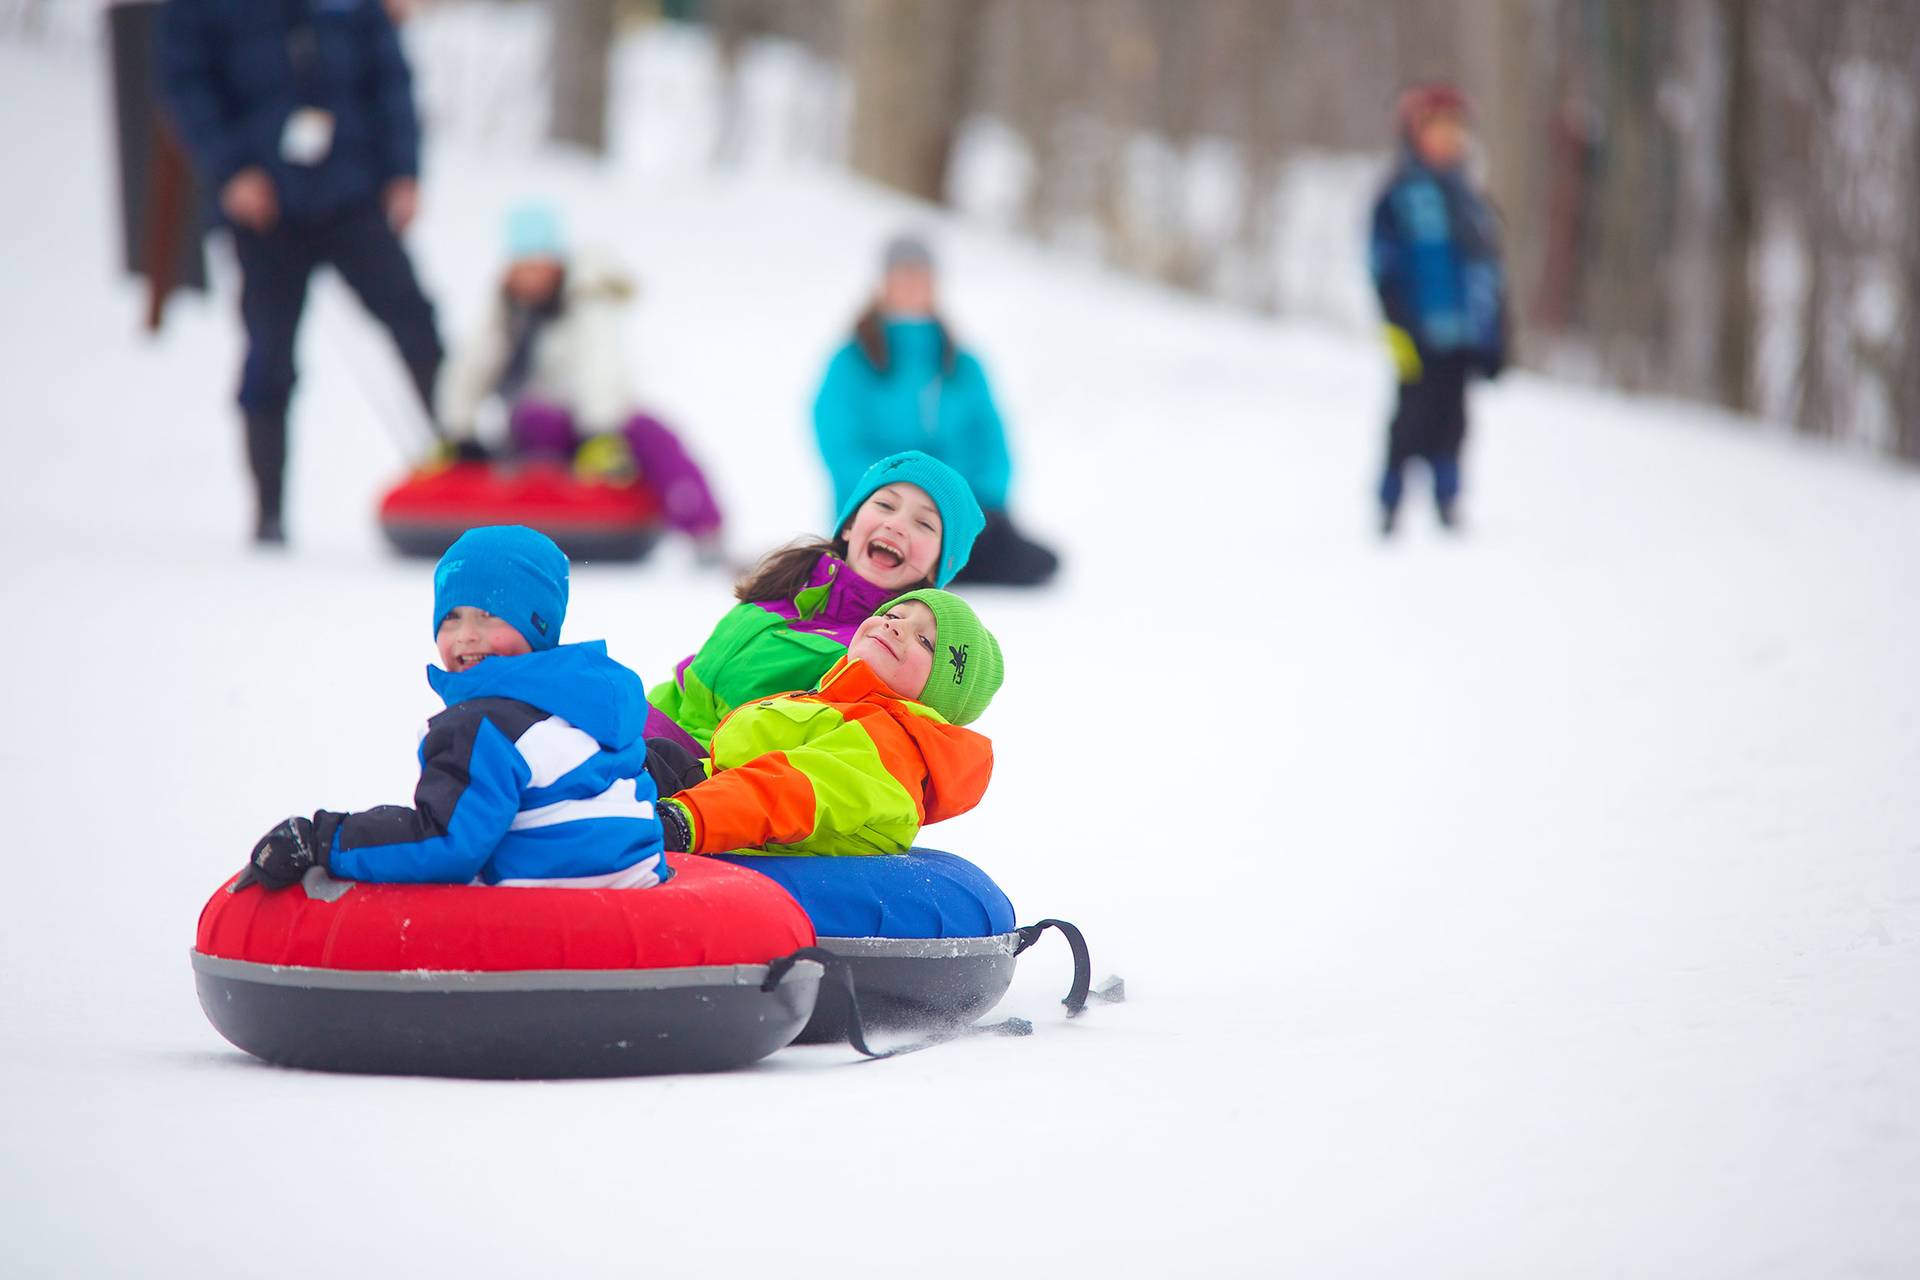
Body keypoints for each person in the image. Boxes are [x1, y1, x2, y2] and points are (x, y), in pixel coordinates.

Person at [239, 525, 669, 891]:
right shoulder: (587, 702)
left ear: (537, 625)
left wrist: (324, 841)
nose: (466, 636)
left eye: (489, 616)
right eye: (451, 618)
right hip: (635, 888)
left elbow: (447, 841)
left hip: (545, 906)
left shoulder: (480, 725)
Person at [161, 0, 444, 546]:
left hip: (350, 190)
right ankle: (268, 511)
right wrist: (230, 170)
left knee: (416, 321)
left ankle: (462, 474)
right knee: (269, 354)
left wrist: (403, 170)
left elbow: (389, 80)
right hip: (263, 205)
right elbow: (184, 82)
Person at [646, 450, 983, 753]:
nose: (895, 524)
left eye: (924, 523)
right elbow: (688, 684)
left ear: (938, 568)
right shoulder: (789, 587)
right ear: (850, 524)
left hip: (697, 771)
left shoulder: (880, 651)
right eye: (885, 505)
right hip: (652, 730)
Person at [436, 203, 725, 551]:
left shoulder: (586, 301)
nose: (531, 276)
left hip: (597, 421)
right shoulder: (504, 312)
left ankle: (704, 529)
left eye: (538, 265)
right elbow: (471, 368)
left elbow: (600, 365)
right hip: (538, 424)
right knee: (537, 416)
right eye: (522, 266)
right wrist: (460, 430)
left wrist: (598, 431)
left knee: (652, 433)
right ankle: (539, 514)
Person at [651, 589, 1002, 857]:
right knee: (654, 754)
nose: (896, 627)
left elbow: (785, 791)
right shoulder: (835, 705)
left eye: (925, 641)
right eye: (894, 614)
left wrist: (684, 820)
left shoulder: (895, 748)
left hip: (738, 840)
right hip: (721, 807)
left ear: (938, 694)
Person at [812, 234, 1059, 586]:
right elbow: (841, 445)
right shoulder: (851, 363)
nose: (911, 286)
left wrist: (969, 504)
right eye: (902, 276)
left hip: (958, 514)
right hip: (886, 516)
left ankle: (942, 557)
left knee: (1042, 562)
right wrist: (902, 497)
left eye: (920, 276)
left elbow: (991, 442)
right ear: (884, 284)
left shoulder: (963, 365)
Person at [1369, 83, 1508, 535]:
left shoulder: (1471, 200)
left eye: (1456, 130)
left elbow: (1489, 270)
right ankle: (1390, 502)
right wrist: (1397, 320)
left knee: (1455, 421)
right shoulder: (1400, 195)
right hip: (1414, 330)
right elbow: (1382, 262)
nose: (1449, 139)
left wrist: (1496, 333)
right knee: (1411, 418)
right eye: (1438, 129)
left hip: (1464, 334)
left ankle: (1448, 501)